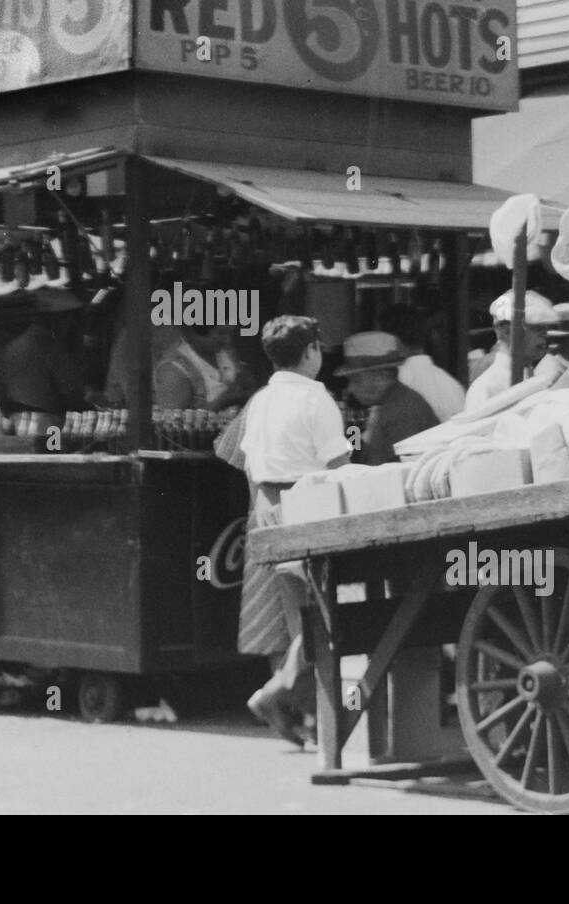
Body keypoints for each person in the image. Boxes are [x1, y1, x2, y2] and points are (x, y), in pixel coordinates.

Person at [239, 315, 351, 746]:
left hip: (268, 509)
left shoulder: (262, 400)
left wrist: (264, 511)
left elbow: (252, 465)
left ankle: (308, 714)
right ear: (310, 352)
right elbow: (339, 468)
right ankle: (278, 694)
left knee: (300, 620)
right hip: (310, 506)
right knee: (326, 618)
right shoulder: (315, 399)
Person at [335, 332, 438, 464]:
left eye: (356, 380)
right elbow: (357, 454)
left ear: (382, 376)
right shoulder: (389, 404)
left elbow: (392, 473)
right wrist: (352, 429)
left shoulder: (403, 413)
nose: (350, 388)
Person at [464, 291, 561, 411]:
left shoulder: (532, 376)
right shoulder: (487, 387)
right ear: (506, 332)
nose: (544, 335)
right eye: (537, 328)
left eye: (545, 329)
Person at [0, 315, 89, 427]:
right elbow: (69, 389)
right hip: (47, 421)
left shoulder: (11, 348)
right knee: (52, 444)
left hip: (13, 420)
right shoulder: (54, 349)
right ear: (55, 323)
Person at [379, 304, 466, 422]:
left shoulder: (394, 382)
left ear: (392, 341)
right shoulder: (453, 385)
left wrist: (354, 436)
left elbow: (365, 436)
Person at [153, 323, 255, 411]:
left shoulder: (225, 352)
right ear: (196, 333)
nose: (228, 341)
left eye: (230, 333)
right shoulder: (173, 371)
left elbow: (247, 387)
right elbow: (174, 425)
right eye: (221, 333)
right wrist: (223, 402)